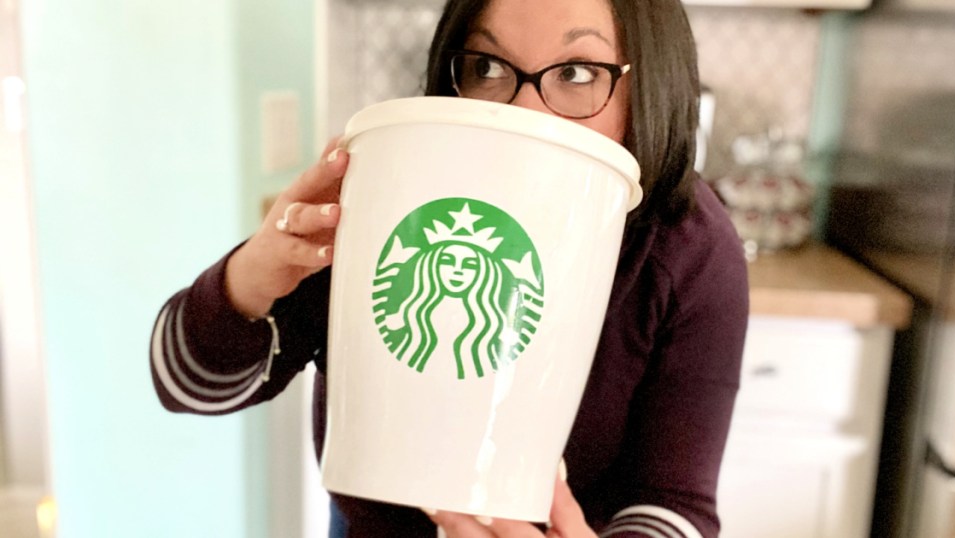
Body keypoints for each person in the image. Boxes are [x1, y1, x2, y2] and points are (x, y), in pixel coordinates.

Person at [149, 0, 749, 536]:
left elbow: (674, 506)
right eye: (488, 67)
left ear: (650, 87)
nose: (523, 112)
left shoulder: (690, 249)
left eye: (575, 73)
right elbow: (185, 386)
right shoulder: (392, 187)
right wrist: (249, 280)